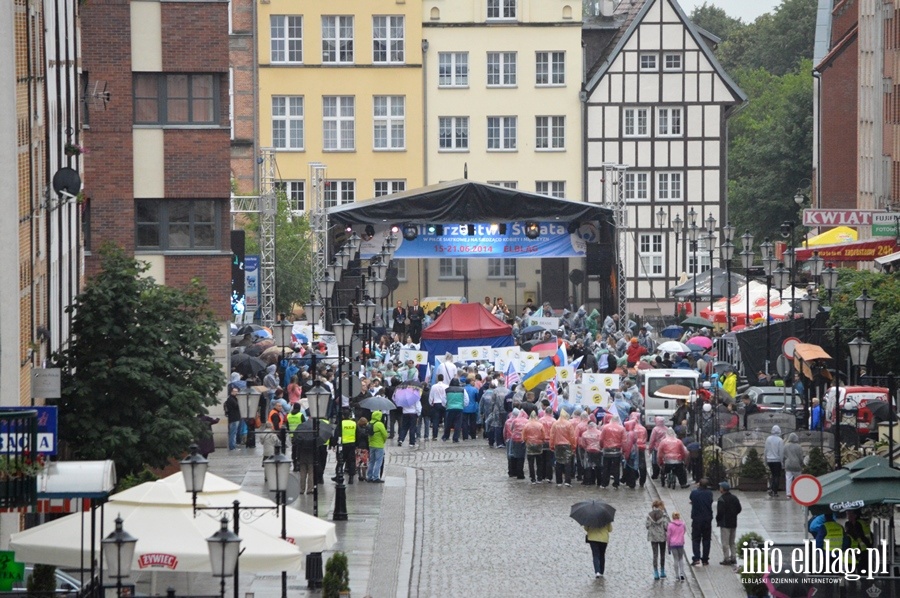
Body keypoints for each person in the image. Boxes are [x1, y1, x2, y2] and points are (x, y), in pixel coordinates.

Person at [716, 481, 742, 565]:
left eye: (720, 488)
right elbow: (739, 509)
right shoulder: (734, 497)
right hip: (733, 522)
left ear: (723, 489)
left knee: (725, 543)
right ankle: (733, 557)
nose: (719, 489)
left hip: (725, 523)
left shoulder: (721, 499)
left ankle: (726, 559)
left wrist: (718, 520)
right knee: (732, 542)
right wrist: (734, 514)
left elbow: (720, 512)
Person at [689, 478, 714, 566]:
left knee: (696, 539)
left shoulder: (694, 492)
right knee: (706, 539)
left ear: (699, 484)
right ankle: (705, 559)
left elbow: (692, 498)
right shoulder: (709, 493)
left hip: (697, 518)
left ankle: (696, 558)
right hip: (707, 519)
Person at [550, 410, 576, 487]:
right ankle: (567, 481)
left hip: (557, 445)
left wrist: (551, 445)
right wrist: (573, 446)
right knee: (567, 463)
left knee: (558, 462)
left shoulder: (555, 424)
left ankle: (559, 481)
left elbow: (552, 436)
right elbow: (572, 436)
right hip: (567, 445)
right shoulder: (569, 424)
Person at [646, 499, 670, 580]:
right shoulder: (664, 515)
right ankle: (662, 571)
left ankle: (656, 572)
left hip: (653, 537)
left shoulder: (649, 515)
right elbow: (666, 526)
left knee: (655, 555)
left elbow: (647, 526)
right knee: (662, 554)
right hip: (662, 537)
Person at [599, 414, 625, 489]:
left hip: (607, 450)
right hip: (616, 451)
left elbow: (601, 439)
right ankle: (616, 483)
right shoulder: (621, 428)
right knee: (616, 467)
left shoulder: (605, 427)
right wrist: (623, 450)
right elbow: (624, 441)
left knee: (606, 467)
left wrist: (601, 446)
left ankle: (604, 483)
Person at [442, 378, 467, 443]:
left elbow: (444, 400)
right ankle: (455, 438)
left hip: (450, 408)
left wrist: (446, 406)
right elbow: (466, 400)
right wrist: (462, 405)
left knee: (448, 423)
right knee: (458, 423)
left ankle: (446, 436)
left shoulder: (447, 390)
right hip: (459, 408)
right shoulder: (462, 390)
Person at [366, 410, 388, 482]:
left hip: (371, 444)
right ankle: (376, 477)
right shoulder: (379, 424)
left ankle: (369, 476)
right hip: (379, 445)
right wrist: (383, 441)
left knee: (371, 461)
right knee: (378, 461)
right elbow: (385, 434)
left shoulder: (369, 423)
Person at [523, 411, 545, 484]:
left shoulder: (527, 425)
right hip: (538, 444)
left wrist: (526, 441)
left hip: (530, 444)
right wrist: (541, 441)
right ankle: (539, 477)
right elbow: (543, 435)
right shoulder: (540, 425)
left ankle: (532, 478)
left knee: (531, 462)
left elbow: (524, 435)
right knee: (539, 462)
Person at [667, 512, 688, 582]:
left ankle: (676, 575)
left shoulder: (670, 525)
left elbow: (668, 536)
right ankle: (682, 573)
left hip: (673, 544)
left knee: (675, 559)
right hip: (680, 543)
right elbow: (684, 531)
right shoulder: (683, 524)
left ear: (672, 517)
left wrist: (668, 545)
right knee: (681, 558)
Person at [783, 432, 805, 499]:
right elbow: (801, 457)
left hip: (788, 464)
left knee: (788, 479)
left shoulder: (786, 446)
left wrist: (784, 463)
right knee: (798, 479)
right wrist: (801, 464)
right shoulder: (799, 447)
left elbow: (784, 456)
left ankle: (788, 494)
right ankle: (798, 493)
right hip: (796, 465)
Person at [765, 425, 785, 497]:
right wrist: (782, 463)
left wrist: (765, 460)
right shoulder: (780, 440)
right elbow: (781, 452)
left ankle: (771, 489)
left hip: (769, 460)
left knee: (773, 475)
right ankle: (774, 491)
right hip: (777, 460)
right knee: (776, 476)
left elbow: (766, 450)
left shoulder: (768, 439)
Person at [429, 374, 448, 440]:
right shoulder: (446, 386)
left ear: (437, 379)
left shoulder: (434, 386)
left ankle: (435, 436)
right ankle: (446, 435)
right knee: (446, 420)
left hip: (436, 403)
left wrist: (431, 403)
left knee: (435, 420)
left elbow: (431, 396)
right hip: (444, 404)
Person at [224, 387, 242, 451]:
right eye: (235, 391)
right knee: (233, 433)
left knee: (234, 432)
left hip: (235, 418)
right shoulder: (231, 399)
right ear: (231, 392)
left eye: (237, 391)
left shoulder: (232, 398)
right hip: (234, 418)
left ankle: (233, 445)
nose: (237, 393)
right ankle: (232, 447)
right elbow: (237, 406)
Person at [355, 417, 370, 482]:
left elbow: (356, 438)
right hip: (365, 448)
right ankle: (364, 476)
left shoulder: (357, 429)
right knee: (364, 462)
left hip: (358, 447)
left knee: (358, 462)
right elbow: (368, 440)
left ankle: (359, 475)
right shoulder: (367, 430)